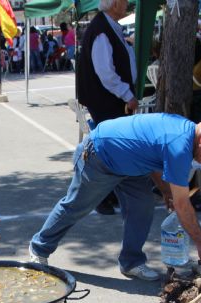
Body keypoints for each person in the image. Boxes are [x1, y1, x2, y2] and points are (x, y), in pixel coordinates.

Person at [28, 114, 201, 280]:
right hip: (100, 156)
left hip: (131, 165)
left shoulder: (186, 134)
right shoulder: (179, 146)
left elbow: (154, 159)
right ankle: (39, 249)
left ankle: (131, 262)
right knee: (76, 206)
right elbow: (183, 204)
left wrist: (165, 191)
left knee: (143, 206)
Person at [76, 0, 137, 216]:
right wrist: (127, 95)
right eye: (122, 0)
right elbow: (106, 73)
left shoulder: (108, 26)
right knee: (109, 151)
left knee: (112, 150)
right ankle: (101, 197)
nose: (126, 3)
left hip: (109, 100)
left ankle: (108, 195)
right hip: (106, 100)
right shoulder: (101, 30)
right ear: (113, 4)